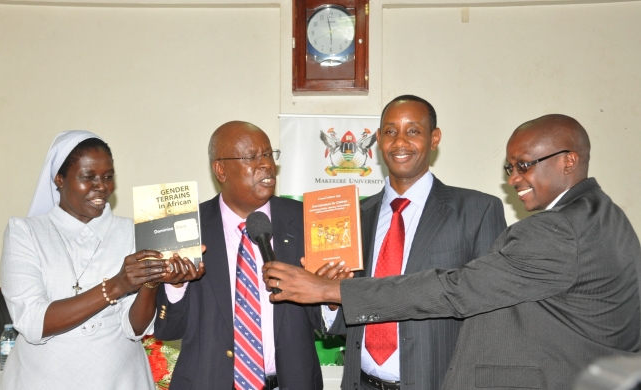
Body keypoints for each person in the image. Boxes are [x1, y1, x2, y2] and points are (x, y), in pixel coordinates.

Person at [264, 114, 641, 389]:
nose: (513, 179)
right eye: (510, 166)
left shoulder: (555, 229)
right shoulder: (608, 216)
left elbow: (457, 290)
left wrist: (329, 291)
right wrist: (330, 298)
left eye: (524, 165)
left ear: (568, 160)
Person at [315, 95, 507, 390]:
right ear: (378, 140)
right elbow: (350, 321)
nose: (400, 142)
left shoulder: (477, 211)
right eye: (390, 132)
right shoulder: (354, 217)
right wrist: (330, 297)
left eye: (413, 131)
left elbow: (491, 317)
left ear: (434, 138)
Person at [0, 131, 202, 389]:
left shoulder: (133, 231)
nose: (102, 186)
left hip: (119, 379)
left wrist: (151, 282)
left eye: (108, 177)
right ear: (59, 179)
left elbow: (135, 329)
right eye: (88, 177)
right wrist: (116, 286)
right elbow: (32, 320)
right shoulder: (25, 232)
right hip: (43, 378)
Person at [154, 121, 323, 390]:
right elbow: (170, 330)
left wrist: (329, 293)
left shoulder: (304, 220)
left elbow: (323, 322)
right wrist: (175, 285)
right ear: (220, 169)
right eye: (251, 157)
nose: (266, 164)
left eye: (268, 154)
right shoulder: (186, 227)